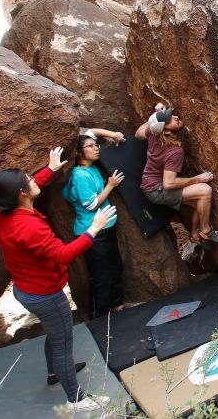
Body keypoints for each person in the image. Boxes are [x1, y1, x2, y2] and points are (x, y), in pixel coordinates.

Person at [0, 147, 116, 412]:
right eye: (29, 180)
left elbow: (32, 187)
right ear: (21, 194)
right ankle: (75, 399)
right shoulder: (29, 226)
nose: (34, 180)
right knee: (63, 342)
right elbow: (62, 254)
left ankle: (54, 372)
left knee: (55, 333)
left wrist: (51, 169)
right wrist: (93, 229)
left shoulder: (5, 212)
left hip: (28, 288)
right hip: (45, 293)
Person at [136, 103, 218, 247]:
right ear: (166, 131)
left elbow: (138, 133)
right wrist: (198, 179)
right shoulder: (174, 151)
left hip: (150, 185)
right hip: (157, 190)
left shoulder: (153, 133)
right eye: (170, 119)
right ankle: (206, 230)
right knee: (204, 191)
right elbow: (169, 183)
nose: (176, 117)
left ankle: (195, 236)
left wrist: (155, 117)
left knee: (201, 203)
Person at [62, 129, 125, 318]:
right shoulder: (80, 175)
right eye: (90, 146)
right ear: (79, 153)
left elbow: (90, 132)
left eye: (96, 145)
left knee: (114, 267)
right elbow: (91, 205)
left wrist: (113, 135)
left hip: (106, 228)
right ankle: (100, 317)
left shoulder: (90, 168)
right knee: (101, 275)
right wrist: (111, 186)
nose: (96, 148)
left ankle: (117, 306)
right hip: (93, 232)